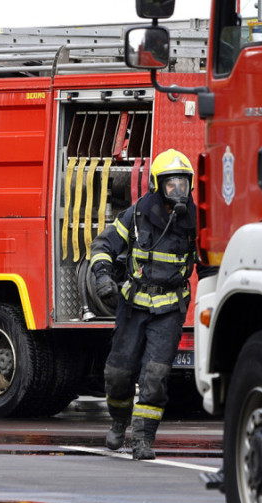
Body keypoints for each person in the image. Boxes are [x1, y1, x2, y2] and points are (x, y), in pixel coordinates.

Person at [89, 149, 215, 460]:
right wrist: (103, 277)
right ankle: (119, 422)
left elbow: (209, 266)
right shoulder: (137, 215)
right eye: (171, 185)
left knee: (155, 376)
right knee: (118, 374)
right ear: (158, 186)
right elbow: (103, 245)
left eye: (183, 184)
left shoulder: (195, 222)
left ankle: (143, 439)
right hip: (133, 306)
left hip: (170, 309)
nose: (178, 191)